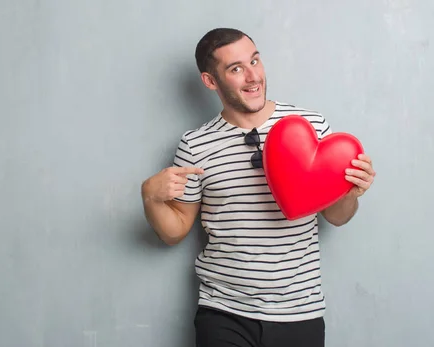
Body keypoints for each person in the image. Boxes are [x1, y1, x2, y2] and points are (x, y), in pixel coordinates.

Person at [140, 28, 376, 347]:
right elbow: (175, 230)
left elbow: (337, 217)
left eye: (255, 61)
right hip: (224, 312)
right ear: (211, 81)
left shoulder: (311, 126)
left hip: (299, 311)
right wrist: (151, 198)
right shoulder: (195, 145)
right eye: (236, 68)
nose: (253, 76)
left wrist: (349, 193)